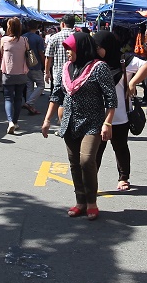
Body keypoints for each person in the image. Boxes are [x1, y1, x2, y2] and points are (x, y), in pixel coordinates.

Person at [41, 33, 116, 220]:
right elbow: (56, 95)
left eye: (70, 49)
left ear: (82, 48)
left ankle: (92, 202)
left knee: (86, 161)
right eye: (66, 49)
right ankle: (80, 202)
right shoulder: (65, 68)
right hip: (70, 123)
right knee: (74, 164)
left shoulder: (99, 68)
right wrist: (47, 120)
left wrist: (108, 123)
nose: (67, 53)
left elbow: (111, 98)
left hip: (93, 123)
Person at [93, 30, 147, 191]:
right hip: (98, 115)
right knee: (96, 151)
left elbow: (146, 65)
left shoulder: (124, 60)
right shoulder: (95, 62)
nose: (96, 51)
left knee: (120, 148)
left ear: (107, 46)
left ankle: (123, 177)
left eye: (98, 47)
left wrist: (132, 83)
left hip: (120, 116)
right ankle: (91, 181)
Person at [0, 17, 30, 135]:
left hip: (8, 72)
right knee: (18, 98)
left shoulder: (4, 40)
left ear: (9, 27)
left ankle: (10, 121)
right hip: (21, 73)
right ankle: (15, 122)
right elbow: (29, 54)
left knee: (8, 98)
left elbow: (2, 53)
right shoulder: (25, 40)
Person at [44, 14, 77, 90]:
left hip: (58, 75)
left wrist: (47, 73)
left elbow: (48, 57)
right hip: (74, 76)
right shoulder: (78, 37)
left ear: (62, 24)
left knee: (57, 99)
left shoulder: (54, 37)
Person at [23, 20, 46, 115]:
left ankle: (30, 106)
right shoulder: (38, 38)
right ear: (37, 28)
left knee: (29, 86)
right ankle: (29, 103)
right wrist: (45, 64)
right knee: (41, 85)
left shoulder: (23, 37)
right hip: (35, 64)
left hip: (25, 64)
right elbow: (41, 53)